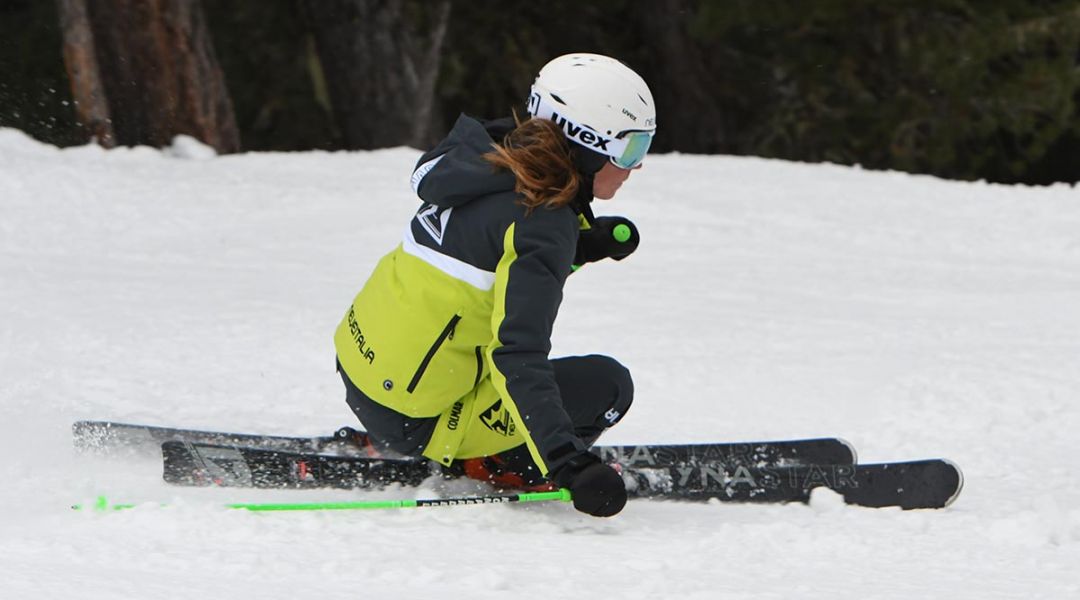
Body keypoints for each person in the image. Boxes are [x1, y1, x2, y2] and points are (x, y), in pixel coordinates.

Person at [333, 53, 656, 518]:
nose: (636, 166)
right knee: (608, 386)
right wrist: (569, 464)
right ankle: (491, 461)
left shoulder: (487, 168)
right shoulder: (541, 222)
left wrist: (582, 248)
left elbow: (483, 272)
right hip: (419, 417)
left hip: (365, 376)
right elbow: (518, 356)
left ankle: (410, 431)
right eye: (631, 149)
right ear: (587, 142)